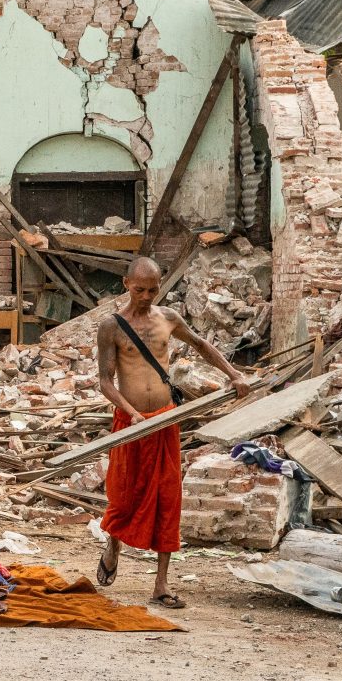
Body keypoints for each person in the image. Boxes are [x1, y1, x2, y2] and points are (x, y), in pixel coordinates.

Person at [94, 255, 251, 607]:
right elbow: (105, 382)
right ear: (126, 285)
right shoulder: (111, 326)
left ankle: (161, 585)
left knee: (168, 498)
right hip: (130, 425)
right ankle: (114, 542)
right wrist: (132, 413)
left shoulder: (168, 319)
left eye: (152, 290)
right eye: (139, 290)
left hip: (165, 421)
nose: (146, 296)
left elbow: (201, 345)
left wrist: (234, 375)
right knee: (122, 495)